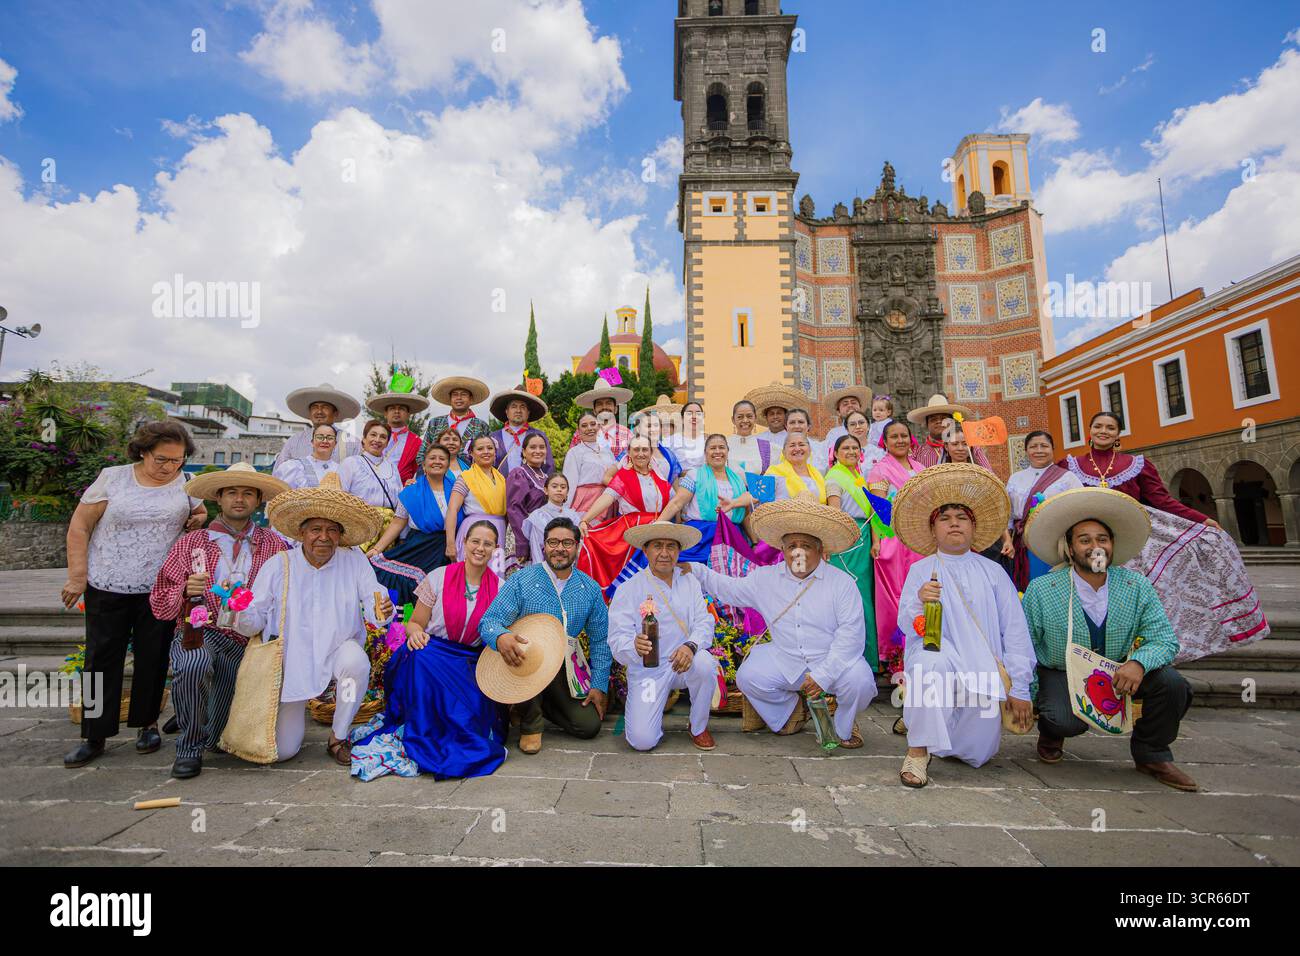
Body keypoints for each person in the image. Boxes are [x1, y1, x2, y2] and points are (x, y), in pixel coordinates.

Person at [1022, 487, 1197, 791]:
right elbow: (1026, 644)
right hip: (1061, 671)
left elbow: (1165, 640)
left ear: (1113, 545)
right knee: (1066, 720)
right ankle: (1052, 731)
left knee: (1173, 685)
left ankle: (1151, 753)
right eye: (1085, 540)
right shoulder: (1043, 589)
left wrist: (1139, 663)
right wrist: (1029, 693)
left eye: (1102, 539)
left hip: (1119, 671)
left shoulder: (1135, 585)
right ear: (1070, 547)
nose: (1095, 546)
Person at [61, 422, 207, 769]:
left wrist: (197, 519)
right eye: (162, 459)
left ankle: (147, 724)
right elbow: (80, 526)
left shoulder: (185, 483)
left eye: (177, 460)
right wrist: (77, 577)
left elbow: (199, 511)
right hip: (107, 582)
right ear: (142, 451)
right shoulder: (113, 478)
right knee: (100, 660)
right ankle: (93, 735)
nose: (169, 467)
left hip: (160, 586)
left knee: (153, 658)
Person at [1063, 411, 1265, 659]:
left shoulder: (1137, 464)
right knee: (1093, 591)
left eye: (1110, 427)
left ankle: (1141, 650)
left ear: (1118, 434)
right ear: (1090, 430)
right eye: (1098, 426)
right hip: (1089, 543)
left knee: (1132, 595)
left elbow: (1162, 501)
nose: (1103, 431)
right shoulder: (1071, 465)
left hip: (1131, 540)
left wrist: (1202, 519)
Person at [685, 497, 877, 748]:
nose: (798, 552)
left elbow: (850, 638)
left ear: (820, 550)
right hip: (786, 659)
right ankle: (791, 714)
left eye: (806, 545)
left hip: (831, 660)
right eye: (792, 546)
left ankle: (844, 725)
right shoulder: (766, 578)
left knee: (860, 681)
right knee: (748, 677)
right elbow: (729, 589)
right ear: (783, 551)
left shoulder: (842, 583)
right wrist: (697, 570)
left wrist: (823, 674)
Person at [892, 464, 1035, 788]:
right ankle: (918, 750)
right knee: (931, 665)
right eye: (945, 518)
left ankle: (920, 719)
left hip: (983, 671)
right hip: (938, 658)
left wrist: (1020, 688)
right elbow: (907, 624)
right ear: (933, 530)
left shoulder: (994, 572)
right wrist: (919, 601)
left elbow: (1014, 631)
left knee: (977, 754)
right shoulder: (921, 570)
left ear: (973, 527)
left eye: (962, 517)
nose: (954, 523)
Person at [238, 473, 395, 765]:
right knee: (284, 751)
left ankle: (338, 736)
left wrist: (382, 609)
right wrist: (238, 610)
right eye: (315, 529)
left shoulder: (354, 560)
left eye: (331, 530)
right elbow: (253, 620)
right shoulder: (278, 566)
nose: (323, 537)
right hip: (291, 660)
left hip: (338, 648)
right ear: (301, 533)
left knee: (356, 664)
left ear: (341, 534)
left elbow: (374, 598)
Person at [148, 463, 290, 778]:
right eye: (232, 493)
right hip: (202, 630)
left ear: (258, 501)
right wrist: (185, 590)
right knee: (193, 662)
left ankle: (203, 726)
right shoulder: (191, 543)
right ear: (219, 498)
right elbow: (159, 600)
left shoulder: (274, 546)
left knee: (218, 739)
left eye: (248, 493)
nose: (239, 499)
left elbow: (286, 597)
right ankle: (187, 747)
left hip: (249, 643)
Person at [350, 520, 507, 780]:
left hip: (469, 662)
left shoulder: (501, 590)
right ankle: (422, 731)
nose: (480, 548)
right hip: (432, 651)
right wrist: (415, 633)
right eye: (475, 541)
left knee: (468, 721)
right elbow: (414, 623)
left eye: (487, 543)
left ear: (496, 548)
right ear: (464, 543)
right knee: (419, 657)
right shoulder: (439, 577)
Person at [478, 517, 611, 753]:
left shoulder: (589, 588)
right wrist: (500, 637)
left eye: (567, 542)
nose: (559, 548)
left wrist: (599, 685)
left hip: (565, 666)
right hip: (526, 659)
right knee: (528, 656)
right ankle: (531, 723)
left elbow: (600, 639)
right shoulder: (522, 579)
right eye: (553, 542)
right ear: (544, 546)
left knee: (589, 726)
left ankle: (540, 703)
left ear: (578, 547)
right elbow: (490, 621)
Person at [608, 522, 721, 751]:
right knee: (642, 741)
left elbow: (704, 621)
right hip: (649, 671)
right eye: (657, 545)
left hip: (683, 662)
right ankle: (650, 714)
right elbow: (617, 638)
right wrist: (633, 645)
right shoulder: (628, 589)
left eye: (671, 546)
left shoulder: (689, 581)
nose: (664, 553)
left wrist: (690, 646)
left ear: (678, 552)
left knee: (705, 663)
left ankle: (698, 726)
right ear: (646, 550)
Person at [578, 434, 683, 594]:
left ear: (650, 452)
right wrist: (585, 520)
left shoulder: (659, 477)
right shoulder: (623, 476)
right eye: (636, 449)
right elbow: (607, 497)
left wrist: (678, 525)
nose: (641, 453)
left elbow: (674, 501)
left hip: (659, 530)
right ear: (629, 453)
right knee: (633, 581)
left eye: (645, 450)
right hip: (633, 532)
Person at [868, 419, 927, 676]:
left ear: (911, 439)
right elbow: (877, 509)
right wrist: (876, 541)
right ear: (885, 441)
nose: (900, 440)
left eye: (904, 435)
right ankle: (894, 657)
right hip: (892, 538)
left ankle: (922, 644)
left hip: (918, 537)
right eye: (894, 437)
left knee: (919, 593)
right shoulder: (879, 470)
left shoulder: (921, 467)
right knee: (894, 597)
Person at [367, 443, 459, 604]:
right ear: (423, 464)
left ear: (447, 464)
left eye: (442, 458)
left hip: (450, 547)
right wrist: (377, 548)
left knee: (443, 594)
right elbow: (397, 523)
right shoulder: (410, 492)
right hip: (419, 546)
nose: (437, 461)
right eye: (432, 458)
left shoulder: (458, 490)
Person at [824, 434, 883, 672]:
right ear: (835, 454)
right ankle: (847, 657)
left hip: (864, 535)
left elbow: (872, 511)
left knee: (865, 597)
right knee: (850, 597)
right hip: (847, 538)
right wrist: (833, 541)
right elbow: (834, 513)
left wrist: (876, 540)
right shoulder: (834, 477)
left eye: (855, 448)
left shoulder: (858, 477)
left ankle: (868, 657)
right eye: (845, 448)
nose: (851, 451)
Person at [1006, 430, 1082, 593]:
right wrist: (1007, 540)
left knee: (1054, 585)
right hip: (1023, 544)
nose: (1039, 450)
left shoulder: (1067, 477)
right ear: (1026, 450)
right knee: (1027, 585)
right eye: (1033, 446)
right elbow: (1008, 514)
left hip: (1055, 541)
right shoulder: (1015, 478)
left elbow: (1079, 508)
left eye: (1044, 446)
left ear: (1052, 448)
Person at [940, 430, 1015, 564]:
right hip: (955, 536)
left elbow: (995, 507)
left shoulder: (982, 474)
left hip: (986, 537)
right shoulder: (939, 476)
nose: (960, 448)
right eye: (955, 444)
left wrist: (1007, 539)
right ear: (946, 446)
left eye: (965, 444)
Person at [444, 434, 510, 569]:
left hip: (499, 531)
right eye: (480, 449)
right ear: (471, 453)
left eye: (490, 448)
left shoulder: (502, 479)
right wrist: (450, 543)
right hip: (474, 530)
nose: (486, 452)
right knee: (469, 575)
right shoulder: (465, 478)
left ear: (495, 452)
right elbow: (452, 509)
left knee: (495, 576)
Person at [274, 383, 361, 467]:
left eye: (325, 407)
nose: (319, 411)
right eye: (315, 407)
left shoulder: (351, 443)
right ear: (309, 413)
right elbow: (279, 475)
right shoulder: (294, 442)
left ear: (336, 413)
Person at [366, 384, 429, 484]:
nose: (396, 411)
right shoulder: (373, 436)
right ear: (385, 413)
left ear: (408, 414)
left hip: (402, 490)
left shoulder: (417, 442)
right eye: (392, 408)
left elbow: (419, 471)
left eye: (401, 408)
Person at [505, 432, 553, 566]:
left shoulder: (545, 477)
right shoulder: (519, 473)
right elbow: (514, 509)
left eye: (542, 447)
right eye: (533, 447)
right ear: (524, 452)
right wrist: (523, 542)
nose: (538, 451)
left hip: (540, 532)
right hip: (522, 531)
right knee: (523, 576)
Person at [909, 393, 991, 469]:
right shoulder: (917, 453)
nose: (939, 421)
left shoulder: (971, 448)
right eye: (933, 419)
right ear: (927, 424)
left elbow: (989, 476)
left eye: (943, 418)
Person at [563, 410, 619, 517]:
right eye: (584, 426)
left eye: (593, 424)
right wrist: (564, 511)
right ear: (578, 430)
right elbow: (569, 483)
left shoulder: (607, 451)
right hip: (586, 500)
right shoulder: (575, 452)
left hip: (607, 500)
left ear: (598, 426)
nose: (589, 428)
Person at [338, 420, 403, 513]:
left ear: (387, 443)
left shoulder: (393, 468)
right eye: (373, 435)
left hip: (391, 525)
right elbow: (340, 498)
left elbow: (399, 500)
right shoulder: (350, 463)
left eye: (383, 437)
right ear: (364, 439)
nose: (377, 440)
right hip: (358, 522)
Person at [489, 386, 553, 475]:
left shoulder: (539, 436)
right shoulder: (494, 437)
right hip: (499, 487)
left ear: (528, 412)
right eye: (514, 406)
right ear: (507, 411)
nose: (518, 410)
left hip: (531, 487)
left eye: (523, 407)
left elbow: (548, 466)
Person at [522, 473, 582, 564]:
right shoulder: (538, 516)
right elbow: (536, 548)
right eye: (554, 486)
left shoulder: (573, 516)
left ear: (567, 492)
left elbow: (578, 544)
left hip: (569, 565)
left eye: (563, 487)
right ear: (546, 490)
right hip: (545, 565)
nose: (559, 490)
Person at [422, 375, 492, 451]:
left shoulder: (481, 426)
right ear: (450, 399)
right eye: (455, 394)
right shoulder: (435, 423)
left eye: (464, 394)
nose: (459, 398)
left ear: (471, 399)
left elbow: (488, 453)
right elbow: (422, 453)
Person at [571, 377, 633, 458]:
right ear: (594, 410)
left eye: (608, 403)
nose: (604, 407)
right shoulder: (580, 434)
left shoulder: (627, 434)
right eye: (599, 404)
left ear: (615, 409)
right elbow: (573, 460)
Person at [273, 423, 343, 490]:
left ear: (335, 444)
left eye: (330, 438)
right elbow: (281, 496)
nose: (325, 441)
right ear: (312, 442)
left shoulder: (341, 470)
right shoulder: (295, 467)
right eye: (319, 437)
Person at [623, 406, 683, 485]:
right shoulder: (630, 451)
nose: (653, 429)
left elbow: (675, 483)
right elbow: (609, 478)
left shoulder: (669, 454)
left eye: (656, 425)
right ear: (638, 429)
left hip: (667, 496)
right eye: (648, 426)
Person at [766, 433, 827, 503]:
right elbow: (758, 497)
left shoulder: (817, 474)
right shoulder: (775, 472)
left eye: (801, 445)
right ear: (783, 452)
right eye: (792, 445)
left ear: (810, 450)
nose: (797, 449)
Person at [746, 381, 803, 451]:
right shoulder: (758, 439)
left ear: (786, 416)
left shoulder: (794, 439)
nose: (775, 416)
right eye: (771, 414)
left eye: (779, 413)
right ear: (766, 417)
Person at [726, 399, 774, 475]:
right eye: (740, 417)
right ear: (733, 420)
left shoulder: (768, 448)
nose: (745, 420)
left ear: (755, 418)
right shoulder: (725, 444)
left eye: (749, 416)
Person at [821, 384, 869, 453]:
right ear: (838, 412)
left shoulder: (872, 429)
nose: (850, 405)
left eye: (853, 402)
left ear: (860, 407)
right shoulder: (834, 434)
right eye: (845, 404)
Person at [665, 400, 708, 471]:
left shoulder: (708, 441)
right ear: (682, 418)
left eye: (698, 413)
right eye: (689, 413)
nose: (694, 416)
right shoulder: (669, 441)